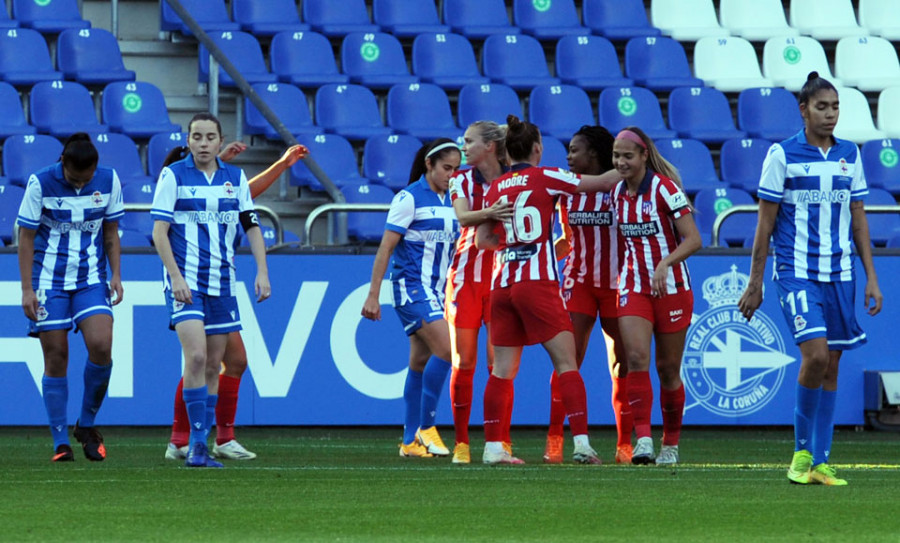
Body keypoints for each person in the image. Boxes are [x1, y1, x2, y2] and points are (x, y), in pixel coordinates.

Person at [738, 72, 882, 486]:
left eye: (835, 107)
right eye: (822, 107)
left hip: (841, 273)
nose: (830, 114)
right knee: (815, 356)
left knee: (832, 365)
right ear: (803, 110)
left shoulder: (849, 155)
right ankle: (800, 453)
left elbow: (858, 219)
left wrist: (871, 277)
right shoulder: (782, 155)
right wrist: (755, 282)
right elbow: (764, 225)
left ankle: (820, 461)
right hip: (797, 271)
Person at [475, 115, 619, 465]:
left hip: (502, 282)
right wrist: (640, 159)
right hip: (536, 282)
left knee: (501, 370)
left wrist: (513, 243)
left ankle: (493, 447)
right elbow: (601, 183)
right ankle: (582, 445)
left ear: (506, 152)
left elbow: (483, 241)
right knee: (567, 363)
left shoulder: (495, 188)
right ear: (537, 148)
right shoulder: (548, 176)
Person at [163, 143, 308, 461]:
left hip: (219, 282)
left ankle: (212, 438)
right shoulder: (175, 184)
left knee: (227, 361)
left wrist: (280, 165)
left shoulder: (225, 185)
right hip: (194, 280)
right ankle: (186, 439)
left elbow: (244, 195)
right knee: (200, 361)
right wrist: (280, 165)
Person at [151, 112, 271, 468]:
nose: (203, 144)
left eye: (209, 137)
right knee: (198, 357)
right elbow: (159, 232)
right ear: (187, 140)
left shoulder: (235, 178)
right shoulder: (173, 175)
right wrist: (175, 277)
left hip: (222, 282)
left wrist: (262, 271)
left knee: (214, 365)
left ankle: (199, 441)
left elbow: (252, 226)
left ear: (221, 142)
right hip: (186, 281)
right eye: (197, 137)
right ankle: (194, 445)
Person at [16, 132, 124, 462]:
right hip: (48, 281)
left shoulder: (108, 180)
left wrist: (116, 274)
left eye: (87, 178)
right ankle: (60, 441)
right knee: (57, 355)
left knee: (102, 345)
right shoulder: (40, 183)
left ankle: (87, 425)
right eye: (76, 178)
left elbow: (110, 231)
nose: (82, 183)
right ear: (63, 163)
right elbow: (25, 237)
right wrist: (26, 289)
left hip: (90, 279)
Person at [362, 138, 461, 458]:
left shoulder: (455, 199)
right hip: (411, 287)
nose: (452, 174)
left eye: (457, 169)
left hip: (440, 290)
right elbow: (386, 248)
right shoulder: (408, 198)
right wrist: (373, 295)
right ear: (429, 165)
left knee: (419, 362)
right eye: (446, 168)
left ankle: (409, 442)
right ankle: (427, 426)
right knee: (447, 350)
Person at [611, 126, 701, 466]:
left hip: (672, 288)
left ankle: (671, 444)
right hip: (633, 286)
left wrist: (665, 262)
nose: (621, 162)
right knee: (635, 359)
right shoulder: (617, 194)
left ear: (644, 156)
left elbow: (693, 239)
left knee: (667, 369)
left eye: (627, 156)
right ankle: (644, 440)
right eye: (616, 156)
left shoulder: (665, 189)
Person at [544, 125, 632, 465]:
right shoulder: (567, 190)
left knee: (622, 365)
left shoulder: (621, 189)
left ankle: (625, 444)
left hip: (617, 284)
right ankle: (554, 439)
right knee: (567, 361)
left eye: (574, 149)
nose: (568, 156)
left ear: (593, 153)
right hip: (578, 284)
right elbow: (565, 237)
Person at [446, 121, 513, 464]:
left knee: (499, 364)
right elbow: (462, 217)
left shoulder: (514, 178)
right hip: (466, 280)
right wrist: (490, 212)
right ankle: (461, 443)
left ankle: (500, 439)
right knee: (465, 361)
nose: (463, 146)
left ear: (489, 146)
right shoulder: (461, 178)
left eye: (469, 141)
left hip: (503, 277)